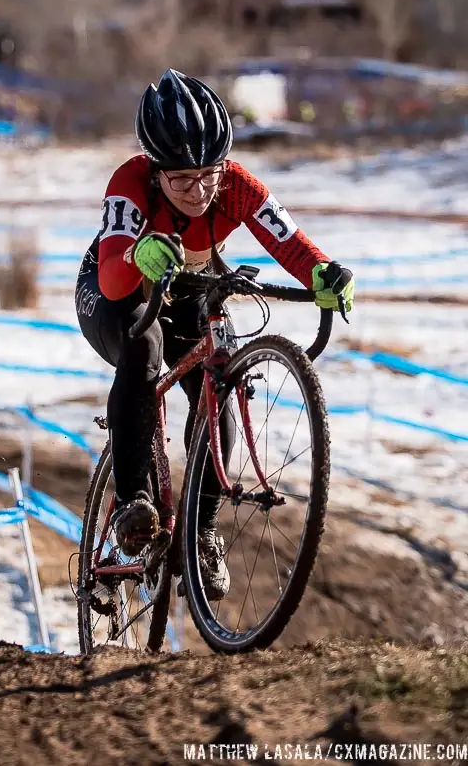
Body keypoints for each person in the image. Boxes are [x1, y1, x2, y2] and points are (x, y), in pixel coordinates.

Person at [76, 69, 354, 600]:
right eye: (181, 179)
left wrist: (322, 272)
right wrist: (138, 252)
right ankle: (134, 500)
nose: (200, 190)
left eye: (209, 174)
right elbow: (113, 276)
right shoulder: (129, 184)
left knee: (219, 388)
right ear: (156, 172)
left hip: (186, 284)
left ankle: (201, 532)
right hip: (115, 290)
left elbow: (290, 243)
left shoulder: (236, 184)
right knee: (145, 344)